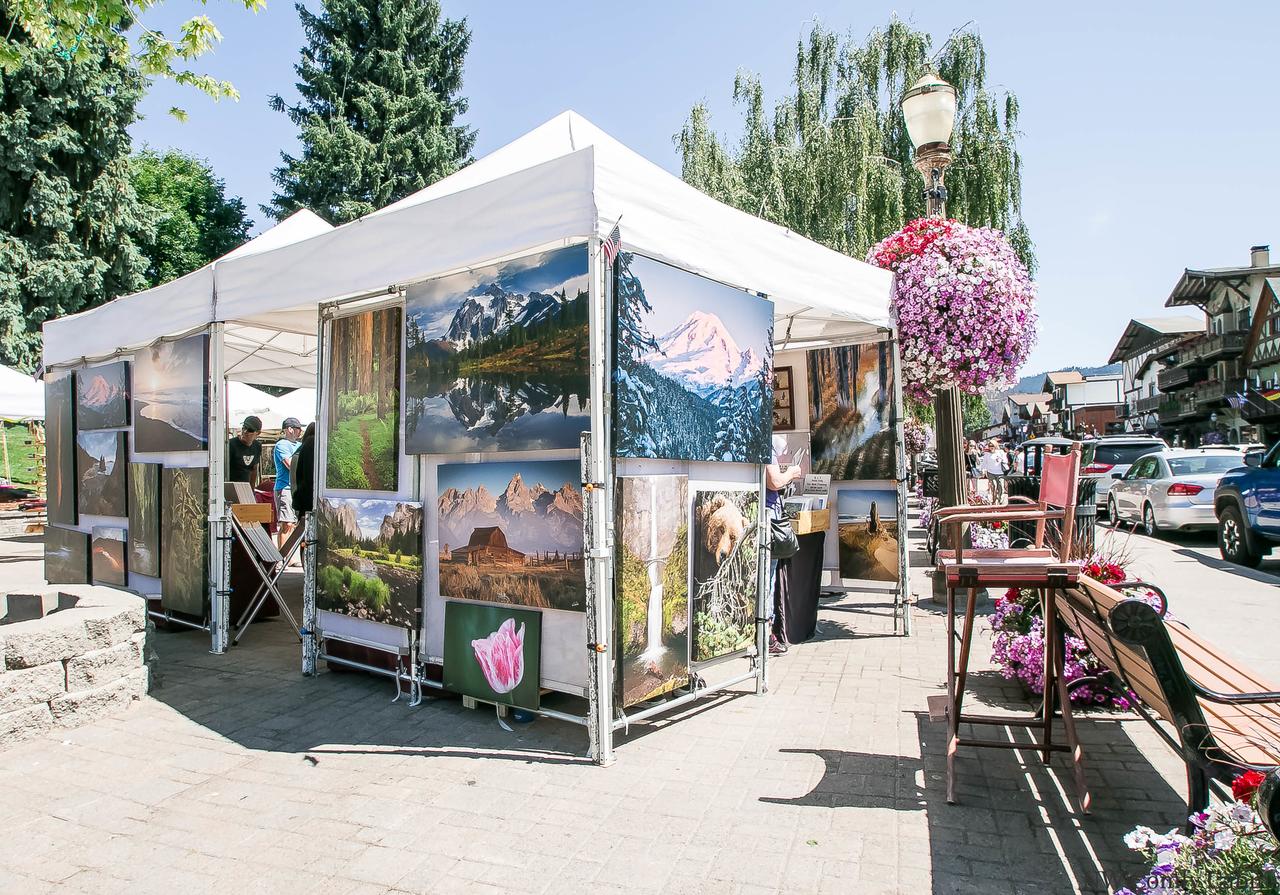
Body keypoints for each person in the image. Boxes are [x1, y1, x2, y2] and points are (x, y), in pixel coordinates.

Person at [764, 457, 804, 655]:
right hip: (768, 519)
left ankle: (764, 631)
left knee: (766, 577)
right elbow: (774, 481)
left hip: (764, 514)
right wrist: (792, 472)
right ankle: (766, 634)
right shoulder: (764, 441)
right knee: (767, 579)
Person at [273, 417, 303, 548]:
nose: (300, 432)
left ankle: (290, 557)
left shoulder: (299, 445)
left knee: (295, 525)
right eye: (298, 429)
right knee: (287, 524)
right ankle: (282, 558)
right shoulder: (281, 445)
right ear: (290, 429)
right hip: (284, 488)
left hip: (297, 489)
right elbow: (291, 465)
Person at [226, 416, 263, 487]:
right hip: (231, 487)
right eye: (244, 427)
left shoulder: (257, 446)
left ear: (258, 433)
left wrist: (252, 490)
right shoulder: (230, 445)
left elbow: (254, 469)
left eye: (250, 430)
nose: (245, 431)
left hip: (246, 488)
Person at [290, 423, 316, 519]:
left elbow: (294, 482)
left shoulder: (300, 451)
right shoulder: (308, 448)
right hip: (305, 501)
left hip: (301, 500)